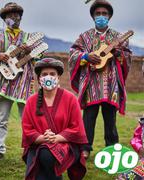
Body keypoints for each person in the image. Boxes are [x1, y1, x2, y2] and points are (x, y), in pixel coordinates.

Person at [68, 0, 132, 159]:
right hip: (91, 84)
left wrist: (119, 54)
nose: (101, 16)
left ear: (109, 16)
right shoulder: (84, 37)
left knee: (111, 120)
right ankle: (85, 149)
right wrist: (85, 56)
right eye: (98, 14)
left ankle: (111, 149)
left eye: (104, 14)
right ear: (93, 16)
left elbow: (127, 55)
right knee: (88, 118)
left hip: (111, 85)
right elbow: (73, 53)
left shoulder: (118, 37)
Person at [0, 2, 39, 161]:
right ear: (4, 18)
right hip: (4, 81)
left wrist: (32, 52)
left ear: (21, 17)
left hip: (24, 82)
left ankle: (29, 150)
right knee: (2, 119)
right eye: (9, 15)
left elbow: (39, 57)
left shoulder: (29, 38)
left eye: (16, 14)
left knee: (27, 119)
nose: (13, 17)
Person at [22, 58, 88, 180]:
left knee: (47, 155)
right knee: (42, 159)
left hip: (66, 144)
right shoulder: (31, 101)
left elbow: (77, 128)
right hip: (38, 145)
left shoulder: (70, 99)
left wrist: (56, 138)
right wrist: (44, 138)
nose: (48, 77)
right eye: (44, 74)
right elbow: (27, 129)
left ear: (58, 78)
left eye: (52, 74)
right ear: (39, 79)